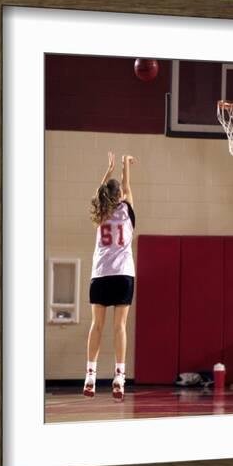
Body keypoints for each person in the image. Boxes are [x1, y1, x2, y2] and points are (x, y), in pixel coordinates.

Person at [84, 151, 136, 401]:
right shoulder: (126, 210)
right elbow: (126, 186)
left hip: (101, 275)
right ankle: (119, 376)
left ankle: (90, 376)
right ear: (121, 196)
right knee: (120, 327)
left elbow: (100, 192)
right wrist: (126, 164)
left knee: (97, 326)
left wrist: (109, 169)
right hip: (123, 274)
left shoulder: (100, 212)